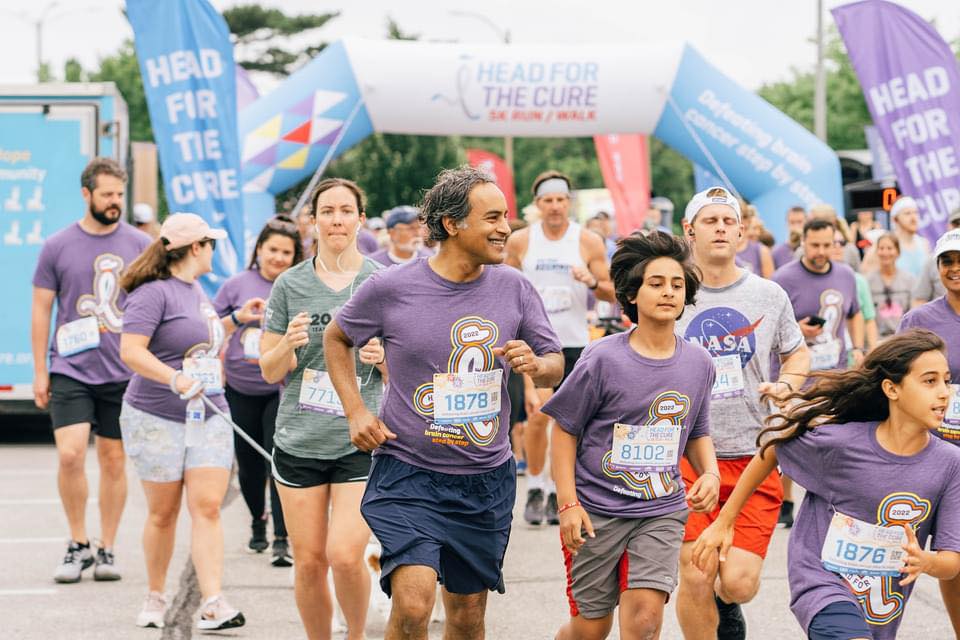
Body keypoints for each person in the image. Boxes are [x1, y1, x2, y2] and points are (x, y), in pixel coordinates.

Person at [324, 165, 563, 639]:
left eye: (506, 216)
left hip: (484, 479)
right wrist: (355, 410)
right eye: (492, 217)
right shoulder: (392, 287)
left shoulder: (514, 286)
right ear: (452, 224)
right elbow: (337, 337)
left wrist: (537, 364)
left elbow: (555, 362)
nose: (505, 228)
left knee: (468, 614)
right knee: (413, 606)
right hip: (408, 472)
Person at [692, 329, 960, 640]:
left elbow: (951, 562)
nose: (944, 392)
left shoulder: (950, 463)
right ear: (891, 388)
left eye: (946, 381)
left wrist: (925, 561)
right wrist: (725, 522)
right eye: (929, 381)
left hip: (880, 606)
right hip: (820, 581)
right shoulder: (842, 444)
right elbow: (773, 449)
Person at [545, 231, 721, 640]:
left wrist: (710, 473)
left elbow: (696, 430)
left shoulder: (698, 363)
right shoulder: (602, 358)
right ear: (631, 294)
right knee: (591, 629)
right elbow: (565, 429)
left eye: (677, 284)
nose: (668, 292)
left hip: (661, 510)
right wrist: (568, 504)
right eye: (656, 284)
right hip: (595, 510)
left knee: (644, 622)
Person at [675, 187, 809, 640]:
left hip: (754, 456)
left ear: (742, 232)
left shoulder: (768, 294)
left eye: (727, 221)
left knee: (738, 583)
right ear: (690, 230)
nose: (720, 229)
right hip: (689, 457)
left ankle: (724, 602)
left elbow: (797, 353)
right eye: (709, 221)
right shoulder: (673, 292)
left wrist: (787, 385)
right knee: (696, 571)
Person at [259, 179, 385, 640]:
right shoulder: (289, 284)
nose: (336, 220)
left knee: (345, 555)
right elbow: (270, 370)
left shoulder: (380, 282)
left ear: (360, 219)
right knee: (309, 561)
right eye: (326, 212)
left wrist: (383, 359)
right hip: (299, 439)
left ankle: (356, 634)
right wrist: (286, 346)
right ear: (312, 222)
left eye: (345, 211)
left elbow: (405, 370)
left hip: (360, 438)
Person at [119, 213, 258, 630]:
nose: (214, 249)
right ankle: (155, 594)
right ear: (196, 247)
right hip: (155, 415)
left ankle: (213, 602)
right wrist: (174, 378)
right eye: (210, 243)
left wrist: (236, 320)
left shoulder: (196, 288)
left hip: (209, 412)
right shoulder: (153, 292)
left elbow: (195, 341)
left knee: (208, 507)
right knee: (163, 513)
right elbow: (132, 351)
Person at [31, 157, 152, 583]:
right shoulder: (57, 245)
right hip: (71, 367)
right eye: (107, 195)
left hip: (122, 370)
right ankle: (77, 543)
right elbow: (41, 308)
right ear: (87, 195)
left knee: (114, 459)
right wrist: (41, 370)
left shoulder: (140, 244)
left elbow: (154, 303)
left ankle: (107, 547)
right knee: (70, 454)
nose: (115, 201)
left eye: (119, 194)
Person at [505, 170, 615, 527]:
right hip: (534, 341)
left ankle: (556, 491)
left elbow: (612, 292)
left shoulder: (588, 241)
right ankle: (536, 486)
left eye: (561, 200)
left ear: (569, 202)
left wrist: (591, 281)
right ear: (538, 204)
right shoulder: (521, 241)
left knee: (568, 423)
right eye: (548, 200)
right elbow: (503, 288)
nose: (555, 206)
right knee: (538, 416)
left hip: (574, 342)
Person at [213, 215, 303, 566]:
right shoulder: (236, 285)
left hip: (279, 390)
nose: (278, 258)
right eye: (273, 250)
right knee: (249, 465)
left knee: (275, 459)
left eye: (286, 252)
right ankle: (257, 521)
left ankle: (282, 537)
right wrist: (238, 317)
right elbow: (209, 330)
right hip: (240, 388)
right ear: (259, 250)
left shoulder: (296, 285)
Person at [773, 218, 864, 531]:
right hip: (794, 375)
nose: (822, 251)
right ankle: (786, 500)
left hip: (834, 375)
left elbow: (855, 314)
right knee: (787, 438)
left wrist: (859, 348)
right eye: (815, 245)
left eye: (828, 245)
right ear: (803, 243)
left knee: (834, 443)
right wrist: (797, 329)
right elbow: (771, 327)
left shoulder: (846, 275)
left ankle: (832, 502)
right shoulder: (783, 279)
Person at [899, 228, 960, 635]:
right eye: (947, 261)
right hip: (939, 453)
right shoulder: (920, 321)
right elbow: (897, 381)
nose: (955, 269)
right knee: (952, 552)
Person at [868, 234, 915, 339]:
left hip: (902, 339)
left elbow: (913, 313)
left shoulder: (909, 280)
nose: (885, 252)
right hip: (878, 340)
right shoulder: (869, 281)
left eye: (889, 248)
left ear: (898, 252)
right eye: (881, 248)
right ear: (876, 252)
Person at [911, 208, 960, 307]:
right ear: (949, 226)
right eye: (956, 223)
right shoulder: (933, 260)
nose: (955, 268)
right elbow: (919, 300)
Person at [890, 196, 931, 279]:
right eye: (907, 213)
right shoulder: (886, 245)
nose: (913, 218)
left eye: (916, 213)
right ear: (895, 219)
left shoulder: (924, 243)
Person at [735, 205, 774, 278]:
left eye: (759, 229)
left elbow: (769, 281)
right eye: (754, 228)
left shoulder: (762, 250)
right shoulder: (723, 248)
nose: (757, 233)